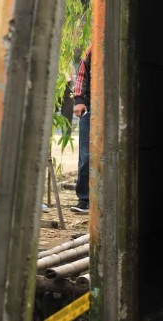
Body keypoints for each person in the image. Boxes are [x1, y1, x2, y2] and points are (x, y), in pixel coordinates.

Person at [70, 45, 91, 214]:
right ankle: (84, 199)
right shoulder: (94, 48)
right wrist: (79, 100)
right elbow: (82, 75)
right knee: (86, 156)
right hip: (91, 107)